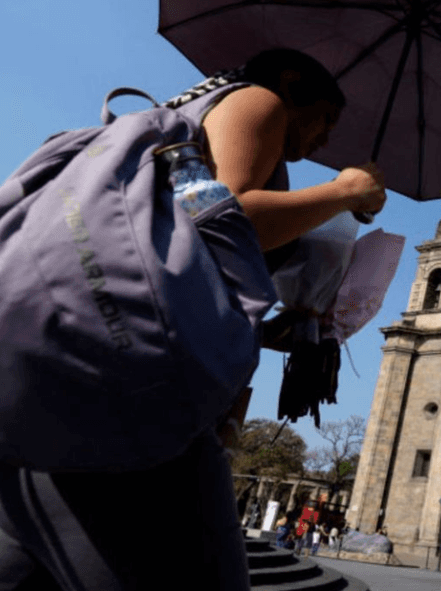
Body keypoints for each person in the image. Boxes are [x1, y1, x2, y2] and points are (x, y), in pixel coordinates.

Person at [0, 49, 386, 590]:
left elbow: (191, 247)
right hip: (129, 379)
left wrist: (271, 329)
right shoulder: (261, 100)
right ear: (292, 82)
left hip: (53, 356)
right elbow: (233, 219)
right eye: (326, 119)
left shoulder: (189, 119)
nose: (325, 140)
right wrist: (345, 192)